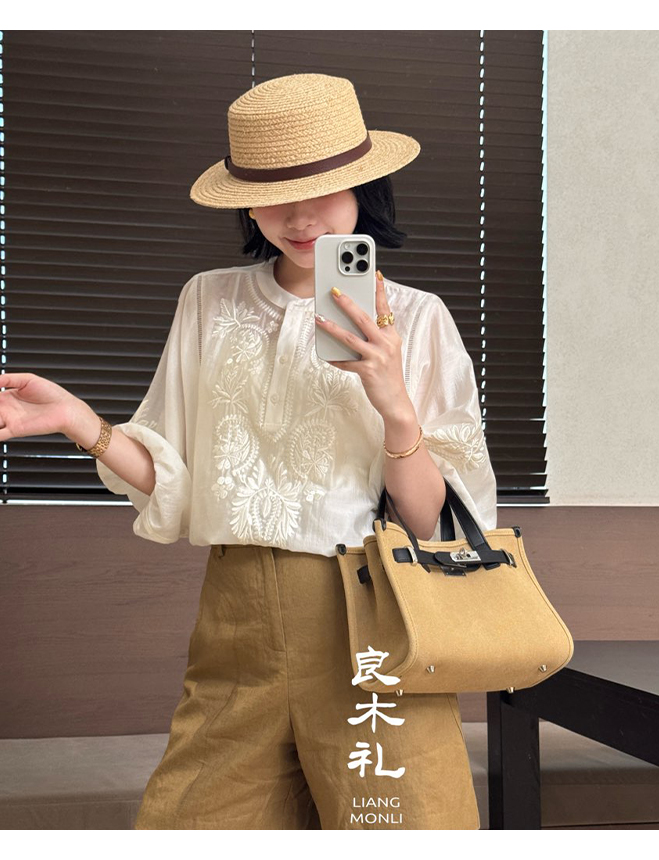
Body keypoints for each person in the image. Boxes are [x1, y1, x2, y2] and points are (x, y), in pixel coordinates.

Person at [0, 73, 498, 830]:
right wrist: (80, 422)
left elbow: (436, 523)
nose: (299, 217)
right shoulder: (209, 300)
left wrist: (395, 405)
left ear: (365, 187)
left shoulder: (419, 319)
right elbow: (176, 481)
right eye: (273, 194)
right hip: (236, 621)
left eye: (322, 190)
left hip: (373, 618)